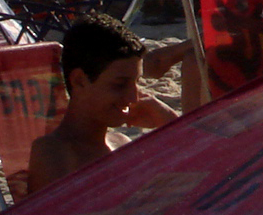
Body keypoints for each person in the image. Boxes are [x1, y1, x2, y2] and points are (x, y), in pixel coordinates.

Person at [25, 15, 177, 196]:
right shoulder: (52, 153)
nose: (133, 97)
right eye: (119, 85)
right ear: (79, 81)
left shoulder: (121, 143)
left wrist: (167, 119)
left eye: (137, 83)